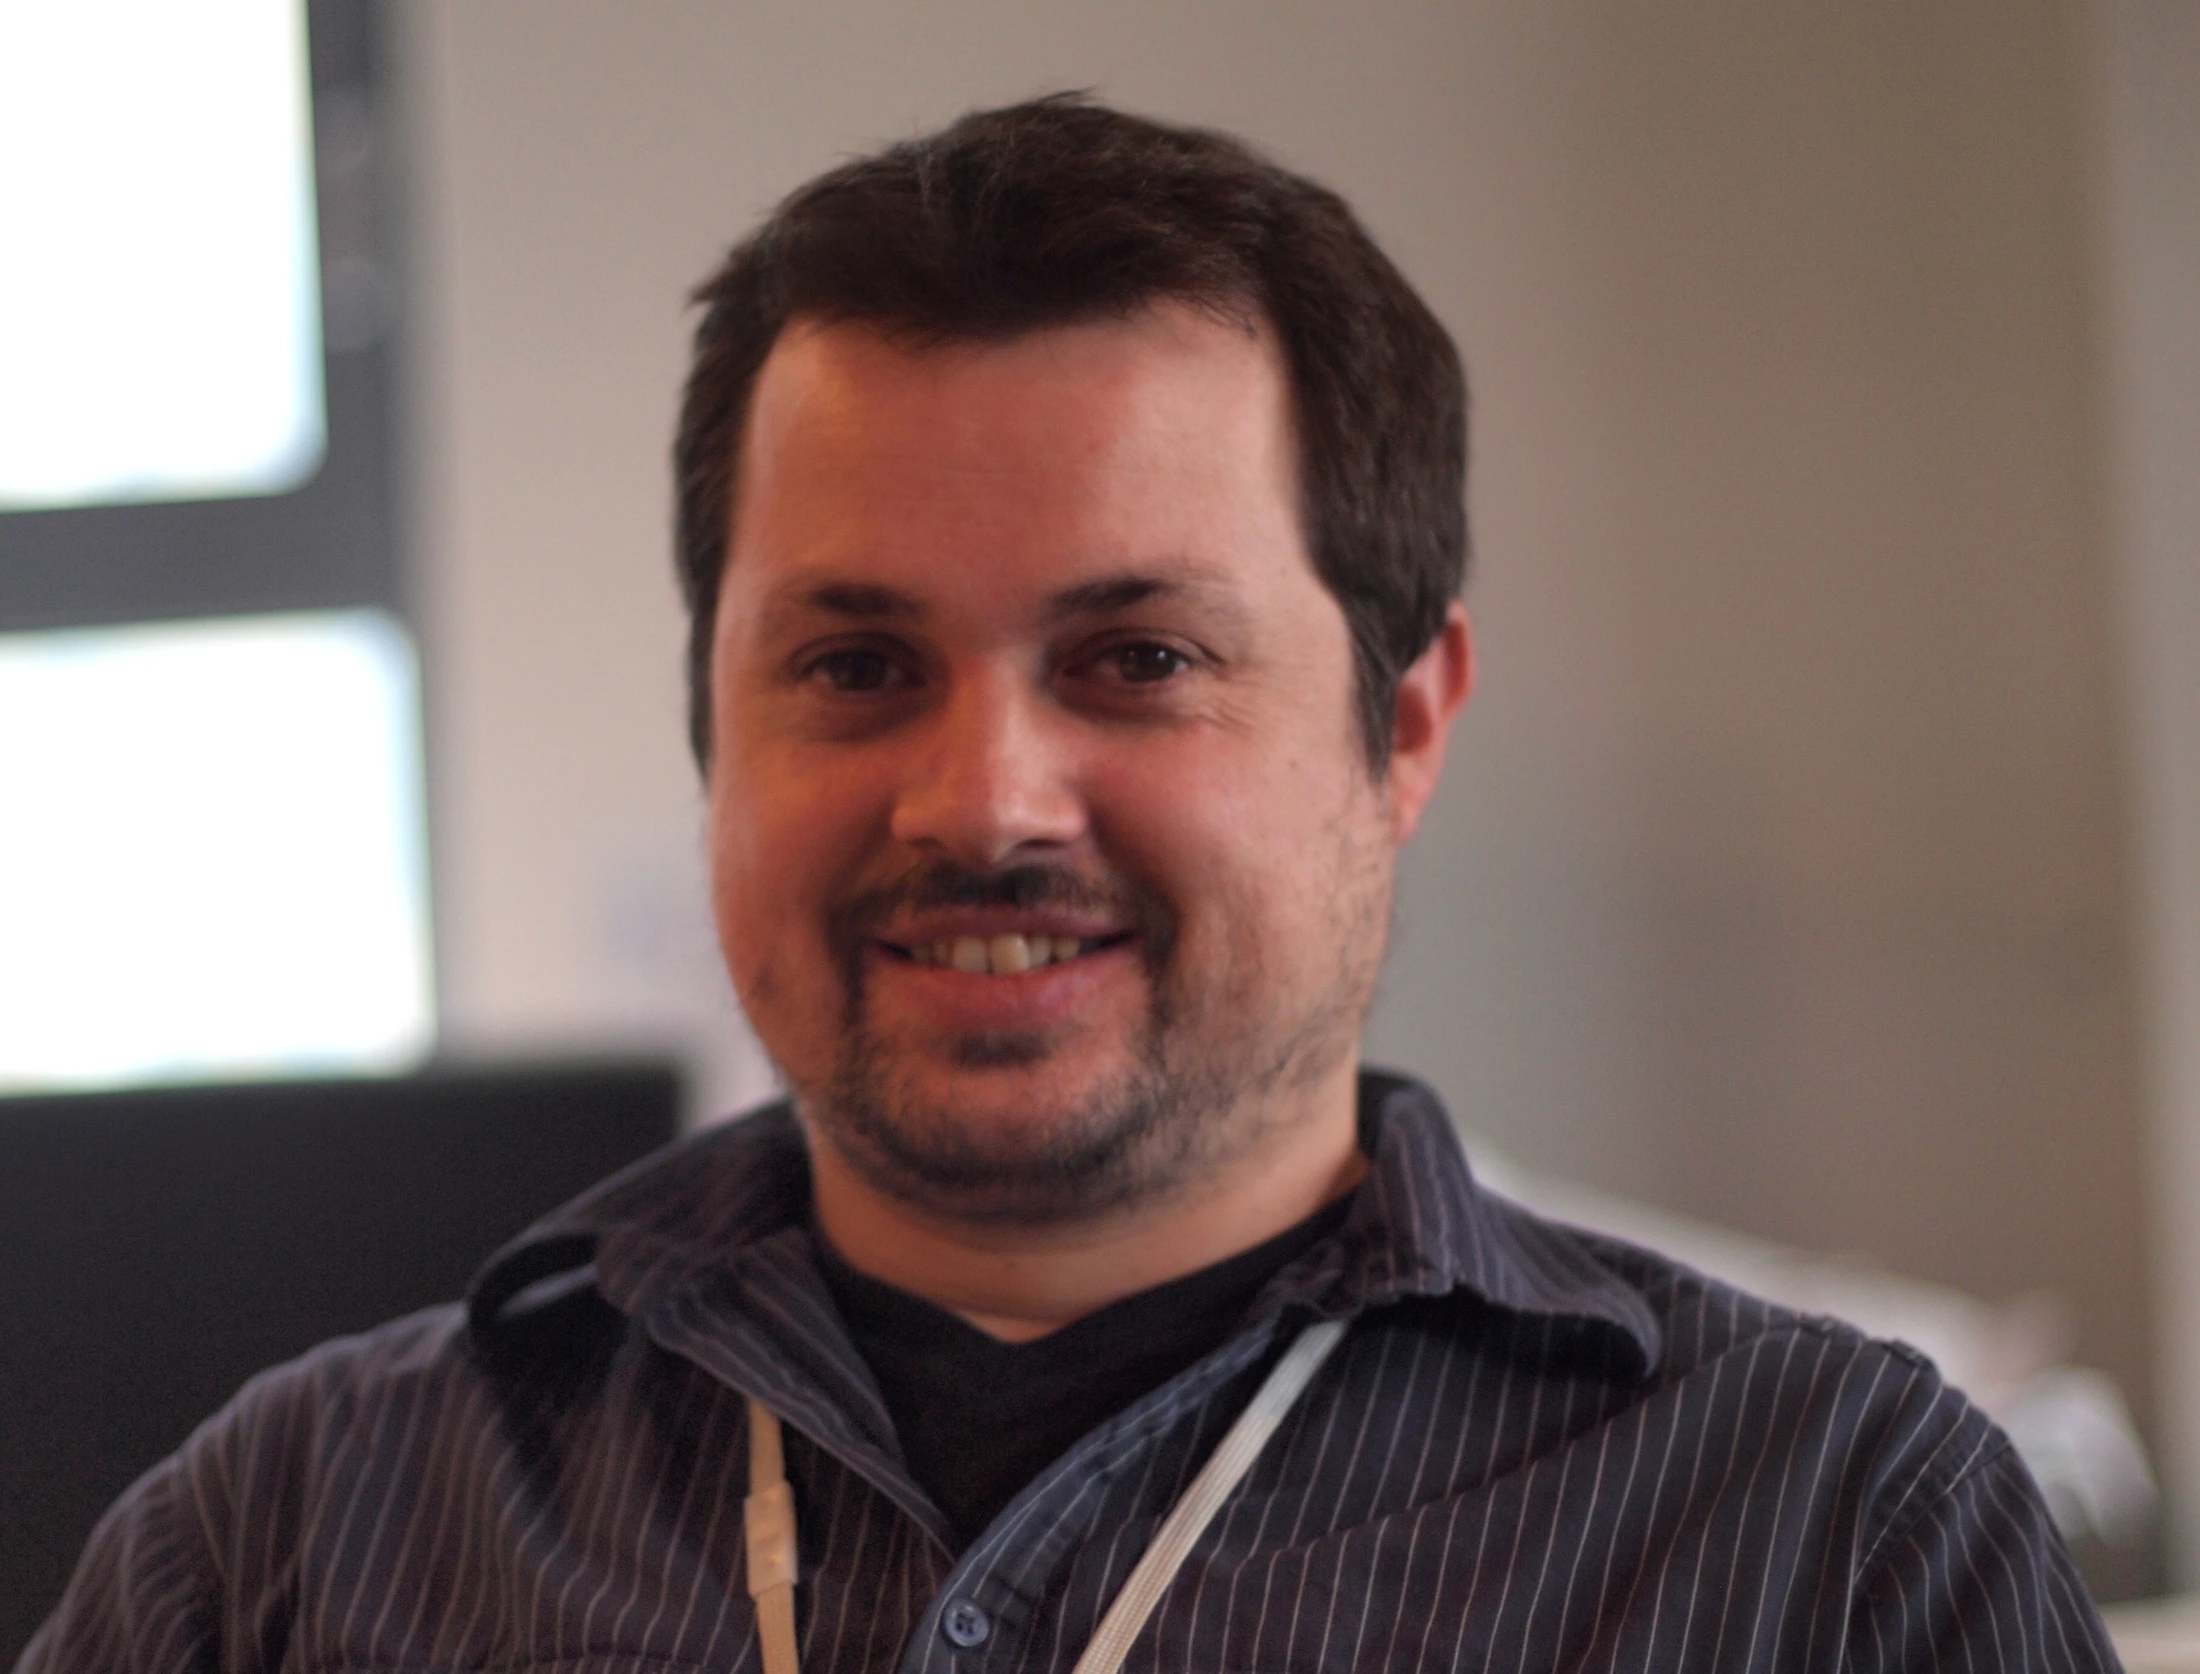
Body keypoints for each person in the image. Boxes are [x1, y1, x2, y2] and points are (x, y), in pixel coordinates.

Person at [24, 96, 2116, 1674]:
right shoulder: (293, 1543)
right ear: (709, 724)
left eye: (1135, 661)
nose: (984, 800)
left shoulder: (1829, 1538)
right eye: (855, 667)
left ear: (1399, 728)